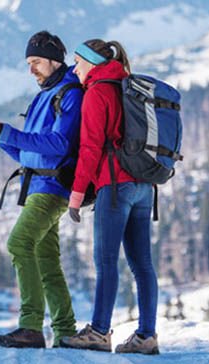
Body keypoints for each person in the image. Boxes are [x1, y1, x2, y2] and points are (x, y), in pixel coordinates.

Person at [59, 39, 160, 355]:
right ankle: (147, 336)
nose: (75, 69)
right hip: (144, 184)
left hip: (114, 185)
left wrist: (76, 196)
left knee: (105, 260)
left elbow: (90, 149)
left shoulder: (97, 92)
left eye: (78, 62)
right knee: (143, 264)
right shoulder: (128, 86)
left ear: (91, 63)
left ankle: (100, 331)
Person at [0, 30, 82, 348]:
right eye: (29, 63)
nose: (32, 69)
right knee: (46, 261)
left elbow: (58, 145)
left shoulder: (69, 93)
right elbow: (29, 153)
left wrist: (11, 133)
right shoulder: (44, 94)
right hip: (37, 184)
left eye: (37, 62)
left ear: (55, 60)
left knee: (19, 244)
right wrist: (2, 139)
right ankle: (66, 331)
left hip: (53, 187)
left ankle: (30, 326)